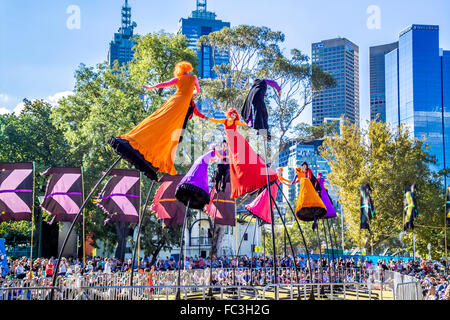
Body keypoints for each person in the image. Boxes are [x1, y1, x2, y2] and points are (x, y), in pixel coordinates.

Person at [109, 61, 206, 180]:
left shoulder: (179, 78)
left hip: (174, 101)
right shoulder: (193, 78)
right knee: (172, 126)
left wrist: (150, 87)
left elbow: (165, 84)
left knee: (159, 117)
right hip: (182, 105)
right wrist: (192, 93)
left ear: (179, 70)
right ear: (188, 69)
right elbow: (198, 90)